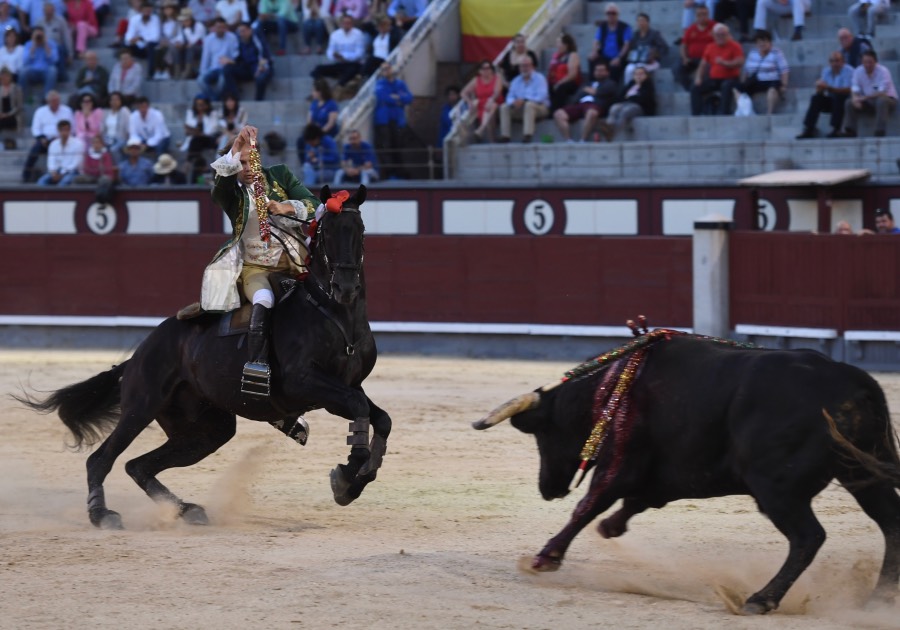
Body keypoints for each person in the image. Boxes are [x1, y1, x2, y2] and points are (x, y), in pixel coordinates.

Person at [203, 124, 319, 389]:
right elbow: (219, 183)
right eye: (239, 162)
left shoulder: (280, 175)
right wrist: (235, 146)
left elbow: (313, 205)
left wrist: (286, 206)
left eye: (248, 160)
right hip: (256, 269)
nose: (245, 168)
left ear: (258, 158)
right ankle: (257, 365)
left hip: (296, 262)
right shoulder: (231, 193)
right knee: (264, 300)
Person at [553, 61, 618, 142]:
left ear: (607, 72)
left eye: (601, 70)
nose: (599, 72)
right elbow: (577, 96)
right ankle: (568, 140)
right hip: (580, 104)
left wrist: (591, 91)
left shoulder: (610, 83)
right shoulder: (587, 83)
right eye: (597, 70)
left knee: (592, 113)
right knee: (558, 113)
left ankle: (583, 139)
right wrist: (592, 91)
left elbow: (600, 92)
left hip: (595, 105)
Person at [796, 51, 853, 139]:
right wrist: (819, 88)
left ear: (843, 62)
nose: (834, 63)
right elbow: (823, 89)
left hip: (844, 101)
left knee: (838, 97)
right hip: (832, 101)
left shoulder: (849, 71)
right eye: (832, 61)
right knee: (816, 98)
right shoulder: (826, 71)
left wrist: (829, 88)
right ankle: (809, 128)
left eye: (837, 61)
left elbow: (848, 90)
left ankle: (836, 129)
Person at [841, 49, 897, 138]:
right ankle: (850, 130)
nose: (867, 65)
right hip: (868, 101)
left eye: (870, 62)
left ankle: (880, 131)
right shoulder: (858, 71)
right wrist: (855, 98)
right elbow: (855, 87)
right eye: (865, 62)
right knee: (849, 102)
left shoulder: (883, 71)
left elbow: (882, 91)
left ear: (876, 62)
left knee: (881, 101)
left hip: (888, 99)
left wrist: (864, 98)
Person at [690, 23, 744, 116]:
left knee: (726, 85)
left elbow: (740, 62)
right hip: (714, 79)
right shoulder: (710, 47)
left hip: (731, 78)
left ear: (728, 35)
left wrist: (725, 63)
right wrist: (698, 77)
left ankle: (724, 112)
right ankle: (697, 114)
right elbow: (703, 64)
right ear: (714, 36)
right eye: (717, 35)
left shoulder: (735, 46)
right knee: (695, 88)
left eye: (723, 35)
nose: (720, 37)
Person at [21, 89, 72, 182]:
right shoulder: (40, 111)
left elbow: (72, 128)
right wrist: (41, 139)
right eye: (53, 101)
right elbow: (35, 128)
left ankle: (59, 175)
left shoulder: (67, 111)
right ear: (48, 101)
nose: (55, 103)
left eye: (57, 101)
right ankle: (26, 175)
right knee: (34, 149)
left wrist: (61, 137)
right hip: (44, 140)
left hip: (62, 139)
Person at [734, 30, 788, 115]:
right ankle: (745, 112)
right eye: (759, 42)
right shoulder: (753, 53)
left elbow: (784, 70)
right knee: (737, 88)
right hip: (755, 80)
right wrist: (744, 82)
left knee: (772, 91)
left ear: (770, 42)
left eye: (764, 41)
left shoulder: (777, 52)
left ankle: (769, 113)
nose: (762, 44)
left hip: (772, 80)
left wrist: (784, 85)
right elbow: (746, 70)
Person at [498, 55, 549, 144]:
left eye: (527, 65)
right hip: (520, 108)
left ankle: (527, 135)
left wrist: (524, 100)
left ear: (532, 66)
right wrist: (513, 102)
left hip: (539, 107)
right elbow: (509, 97)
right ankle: (505, 136)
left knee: (529, 105)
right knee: (504, 107)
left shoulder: (540, 78)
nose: (524, 68)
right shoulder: (515, 81)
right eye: (522, 66)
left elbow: (541, 97)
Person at [597, 64, 655, 142]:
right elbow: (621, 96)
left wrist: (629, 97)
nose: (638, 76)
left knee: (625, 112)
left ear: (646, 75)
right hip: (626, 104)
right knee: (614, 108)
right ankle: (609, 126)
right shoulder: (631, 84)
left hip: (640, 107)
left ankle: (611, 132)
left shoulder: (648, 85)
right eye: (636, 74)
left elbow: (643, 99)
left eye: (641, 74)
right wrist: (629, 98)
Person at [373, 61, 412, 178]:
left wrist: (396, 97)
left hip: (397, 120)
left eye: (387, 68)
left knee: (398, 146)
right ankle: (390, 173)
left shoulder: (400, 84)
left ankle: (399, 172)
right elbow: (383, 97)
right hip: (383, 120)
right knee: (386, 147)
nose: (386, 71)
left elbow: (409, 98)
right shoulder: (380, 84)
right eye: (383, 69)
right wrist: (399, 99)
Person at [311, 13, 365, 87]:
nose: (346, 25)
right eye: (345, 23)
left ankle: (338, 88)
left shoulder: (358, 34)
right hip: (339, 63)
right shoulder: (335, 35)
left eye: (348, 23)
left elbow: (360, 53)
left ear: (352, 24)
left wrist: (344, 57)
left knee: (351, 70)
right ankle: (320, 88)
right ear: (341, 23)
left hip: (353, 64)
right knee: (317, 69)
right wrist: (335, 56)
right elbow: (330, 51)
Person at [224, 21, 272, 101]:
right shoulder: (239, 41)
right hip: (247, 68)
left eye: (243, 31)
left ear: (250, 30)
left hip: (261, 66)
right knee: (227, 69)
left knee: (261, 77)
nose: (241, 34)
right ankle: (235, 98)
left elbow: (265, 56)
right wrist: (230, 61)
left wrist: (260, 67)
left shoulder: (257, 39)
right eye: (240, 31)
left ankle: (258, 101)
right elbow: (237, 58)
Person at [197, 16, 239, 100]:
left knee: (222, 82)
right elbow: (205, 58)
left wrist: (228, 60)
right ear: (214, 28)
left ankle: (215, 99)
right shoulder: (208, 39)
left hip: (225, 69)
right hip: (213, 69)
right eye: (218, 27)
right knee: (200, 80)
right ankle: (214, 98)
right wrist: (202, 72)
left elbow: (236, 55)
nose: (220, 29)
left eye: (223, 27)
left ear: (226, 28)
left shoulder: (232, 37)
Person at [588, 2, 632, 83]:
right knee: (591, 59)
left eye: (613, 13)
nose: (611, 15)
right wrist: (594, 52)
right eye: (608, 13)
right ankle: (593, 84)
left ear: (618, 14)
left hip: (619, 57)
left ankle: (612, 88)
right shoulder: (603, 26)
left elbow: (626, 45)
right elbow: (596, 40)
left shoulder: (625, 27)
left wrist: (619, 58)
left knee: (615, 66)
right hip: (604, 56)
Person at [676, 5, 715, 91]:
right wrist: (685, 58)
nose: (702, 17)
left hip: (708, 59)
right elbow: (683, 45)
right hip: (692, 59)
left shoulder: (715, 27)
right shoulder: (691, 28)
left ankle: (702, 90)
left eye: (704, 14)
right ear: (696, 16)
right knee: (677, 68)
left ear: (708, 15)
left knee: (709, 71)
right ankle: (690, 89)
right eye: (699, 15)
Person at [461, 60, 502, 142]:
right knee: (488, 111)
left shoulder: (497, 78)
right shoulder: (476, 80)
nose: (486, 70)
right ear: (480, 71)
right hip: (481, 105)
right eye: (483, 68)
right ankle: (491, 139)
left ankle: (481, 129)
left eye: (488, 68)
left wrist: (490, 100)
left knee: (491, 106)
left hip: (495, 102)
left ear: (491, 69)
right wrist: (469, 102)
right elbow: (463, 93)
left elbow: (497, 93)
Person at [624, 12, 668, 85]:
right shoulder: (635, 35)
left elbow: (664, 48)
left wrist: (655, 54)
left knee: (642, 71)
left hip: (651, 62)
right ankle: (629, 89)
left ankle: (642, 90)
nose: (640, 23)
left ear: (647, 22)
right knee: (628, 69)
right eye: (639, 21)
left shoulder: (655, 34)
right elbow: (631, 50)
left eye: (642, 20)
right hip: (637, 61)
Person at [37, 119, 84, 186]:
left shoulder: (78, 144)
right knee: (41, 181)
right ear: (58, 131)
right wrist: (53, 173)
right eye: (62, 130)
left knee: (63, 183)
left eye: (66, 130)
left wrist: (62, 174)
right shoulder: (53, 144)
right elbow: (51, 161)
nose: (64, 132)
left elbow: (76, 164)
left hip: (72, 172)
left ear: (70, 130)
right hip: (56, 172)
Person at [37, 0, 72, 82]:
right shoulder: (39, 22)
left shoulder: (61, 21)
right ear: (43, 11)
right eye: (47, 11)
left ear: (54, 11)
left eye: (50, 11)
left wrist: (70, 54)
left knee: (60, 49)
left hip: (57, 47)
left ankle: (61, 75)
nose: (48, 13)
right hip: (43, 47)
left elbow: (66, 37)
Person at [124, 0, 162, 76]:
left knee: (151, 46)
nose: (147, 13)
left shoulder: (155, 19)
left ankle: (151, 73)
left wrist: (141, 39)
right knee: (125, 46)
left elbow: (155, 37)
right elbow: (129, 36)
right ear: (141, 10)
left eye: (149, 11)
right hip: (139, 45)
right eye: (145, 11)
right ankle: (125, 72)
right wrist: (133, 40)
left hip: (151, 45)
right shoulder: (134, 19)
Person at [21, 26, 59, 98]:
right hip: (32, 70)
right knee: (22, 71)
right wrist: (33, 45)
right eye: (37, 35)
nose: (39, 37)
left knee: (53, 70)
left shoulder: (51, 44)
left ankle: (47, 98)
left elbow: (54, 61)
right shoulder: (28, 44)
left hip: (46, 70)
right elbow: (25, 61)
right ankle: (23, 97)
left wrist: (45, 45)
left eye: (40, 35)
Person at [547, 33, 581, 112]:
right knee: (548, 85)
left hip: (570, 82)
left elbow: (572, 75)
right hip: (557, 80)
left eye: (559, 43)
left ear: (566, 45)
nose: (557, 46)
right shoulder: (557, 56)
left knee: (561, 87)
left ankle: (555, 111)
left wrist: (559, 83)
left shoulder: (573, 55)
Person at [362, 13, 400, 77]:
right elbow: (365, 25)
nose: (382, 28)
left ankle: (361, 75)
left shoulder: (393, 35)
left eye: (386, 25)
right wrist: (373, 17)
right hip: (375, 62)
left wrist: (396, 25)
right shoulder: (376, 35)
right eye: (380, 26)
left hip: (386, 60)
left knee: (371, 60)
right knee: (369, 60)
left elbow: (397, 36)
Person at [174, 7, 206, 79]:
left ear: (190, 20)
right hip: (188, 46)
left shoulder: (199, 26)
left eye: (185, 20)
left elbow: (194, 41)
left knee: (190, 48)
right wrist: (178, 43)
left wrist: (183, 44)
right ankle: (177, 71)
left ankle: (187, 71)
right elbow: (179, 38)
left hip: (200, 48)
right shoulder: (183, 27)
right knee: (176, 48)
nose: (183, 22)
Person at [152, 0, 181, 80]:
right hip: (164, 42)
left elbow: (180, 35)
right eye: (165, 9)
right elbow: (159, 34)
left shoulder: (177, 22)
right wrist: (162, 41)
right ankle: (158, 71)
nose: (167, 11)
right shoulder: (162, 22)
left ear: (173, 10)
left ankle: (166, 71)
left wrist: (170, 42)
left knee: (167, 49)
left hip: (174, 43)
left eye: (169, 9)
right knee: (157, 49)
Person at [102, 90, 130, 156]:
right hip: (107, 138)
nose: (114, 102)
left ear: (121, 101)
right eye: (112, 100)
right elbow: (102, 129)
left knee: (113, 149)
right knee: (102, 149)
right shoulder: (106, 112)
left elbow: (128, 129)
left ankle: (119, 166)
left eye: (117, 99)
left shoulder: (124, 111)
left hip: (120, 139)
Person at [0, 65, 22, 142]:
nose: (4, 78)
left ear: (10, 77)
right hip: (1, 115)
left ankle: (9, 142)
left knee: (5, 121)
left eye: (6, 76)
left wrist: (7, 114)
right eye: (2, 76)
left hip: (13, 115)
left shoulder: (16, 89)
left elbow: (19, 106)